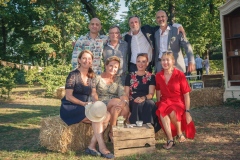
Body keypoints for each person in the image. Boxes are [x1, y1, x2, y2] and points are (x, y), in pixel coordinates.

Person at [60, 50, 114, 159]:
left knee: (107, 115)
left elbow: (93, 93)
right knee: (97, 118)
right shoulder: (73, 75)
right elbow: (68, 96)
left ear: (92, 61)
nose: (86, 61)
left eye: (89, 59)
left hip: (86, 105)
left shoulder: (91, 75)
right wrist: (83, 103)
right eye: (84, 58)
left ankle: (91, 145)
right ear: (79, 60)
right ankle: (102, 147)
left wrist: (95, 102)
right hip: (72, 106)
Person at [155, 51, 196, 150]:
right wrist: (159, 103)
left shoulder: (179, 74)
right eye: (163, 60)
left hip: (178, 102)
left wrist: (187, 111)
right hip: (165, 101)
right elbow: (158, 91)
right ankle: (170, 139)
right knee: (162, 111)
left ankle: (179, 133)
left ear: (173, 61)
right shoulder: (158, 75)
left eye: (167, 60)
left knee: (172, 111)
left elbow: (186, 95)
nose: (165, 62)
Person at [95, 56, 129, 139]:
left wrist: (123, 102)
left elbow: (122, 94)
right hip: (102, 104)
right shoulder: (98, 78)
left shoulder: (118, 79)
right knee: (117, 102)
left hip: (115, 104)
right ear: (106, 66)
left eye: (116, 67)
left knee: (117, 108)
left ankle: (111, 133)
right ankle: (114, 132)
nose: (113, 68)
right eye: (111, 66)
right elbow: (92, 93)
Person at [125, 53, 160, 132]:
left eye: (143, 62)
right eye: (138, 61)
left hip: (146, 99)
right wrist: (127, 108)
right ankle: (138, 130)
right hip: (133, 101)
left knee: (150, 103)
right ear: (136, 63)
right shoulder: (129, 76)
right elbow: (126, 94)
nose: (141, 64)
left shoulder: (151, 77)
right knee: (137, 104)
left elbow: (151, 94)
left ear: (147, 63)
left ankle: (149, 130)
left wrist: (143, 98)